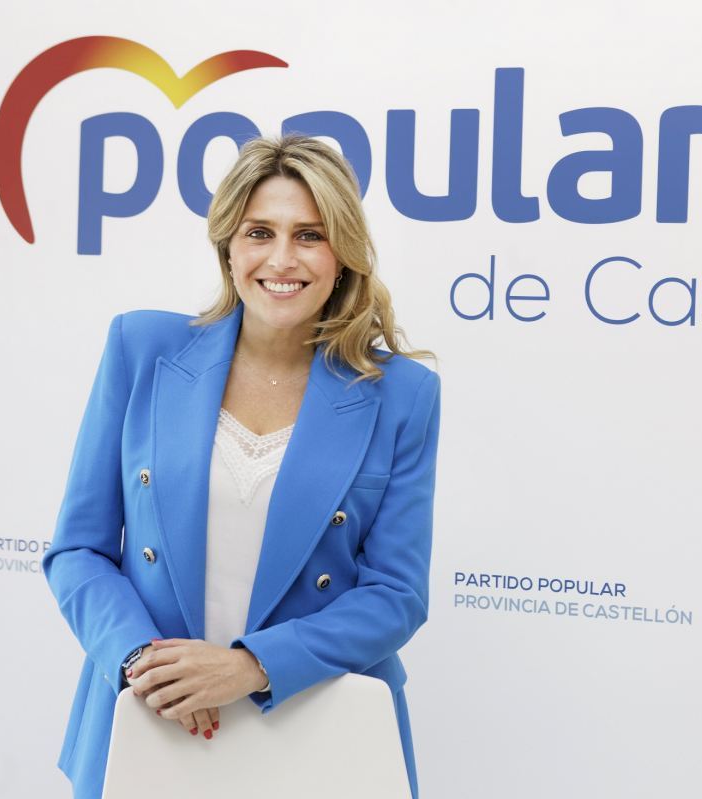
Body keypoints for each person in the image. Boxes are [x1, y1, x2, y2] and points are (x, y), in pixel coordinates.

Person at [43, 134, 440, 799]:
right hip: (155, 718)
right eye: (260, 232)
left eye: (309, 235)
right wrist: (145, 663)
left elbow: (397, 593)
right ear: (228, 244)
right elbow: (79, 550)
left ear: (342, 253)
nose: (282, 260)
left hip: (317, 727)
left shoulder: (401, 393)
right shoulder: (142, 348)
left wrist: (251, 666)